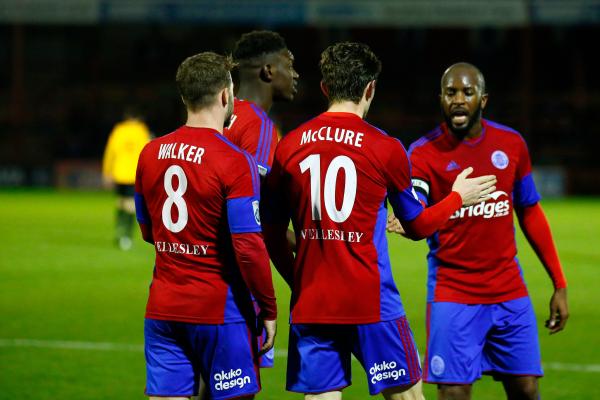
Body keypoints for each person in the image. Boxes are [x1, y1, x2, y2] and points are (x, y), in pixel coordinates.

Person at [261, 43, 496, 400]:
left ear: (325, 88)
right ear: (370, 88)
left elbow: (271, 232)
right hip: (372, 303)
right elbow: (417, 227)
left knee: (321, 397)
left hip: (313, 303)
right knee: (407, 396)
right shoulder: (385, 148)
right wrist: (457, 197)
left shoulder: (289, 145)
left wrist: (298, 280)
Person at [388, 62, 569, 400]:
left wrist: (558, 283)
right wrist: (412, 212)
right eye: (450, 92)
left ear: (483, 100)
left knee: (527, 390)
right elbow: (417, 201)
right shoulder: (424, 152)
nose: (458, 99)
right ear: (440, 98)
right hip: (453, 293)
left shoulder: (511, 144)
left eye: (467, 92)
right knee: (454, 393)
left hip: (509, 291)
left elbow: (529, 212)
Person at [134, 52, 277, 400]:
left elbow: (147, 231)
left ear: (185, 97)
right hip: (219, 311)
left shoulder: (150, 153)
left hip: (163, 309)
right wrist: (269, 308)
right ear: (226, 96)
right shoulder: (235, 161)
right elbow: (248, 247)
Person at [225, 29, 299, 368]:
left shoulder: (219, 116)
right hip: (236, 286)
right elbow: (254, 221)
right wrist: (299, 282)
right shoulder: (259, 126)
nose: (296, 74)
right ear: (268, 71)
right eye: (290, 65)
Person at [102, 106, 151, 250]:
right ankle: (126, 236)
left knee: (121, 202)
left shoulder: (118, 130)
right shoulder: (141, 130)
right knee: (131, 205)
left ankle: (119, 231)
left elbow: (110, 151)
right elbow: (147, 152)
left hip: (119, 172)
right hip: (133, 174)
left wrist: (107, 172)